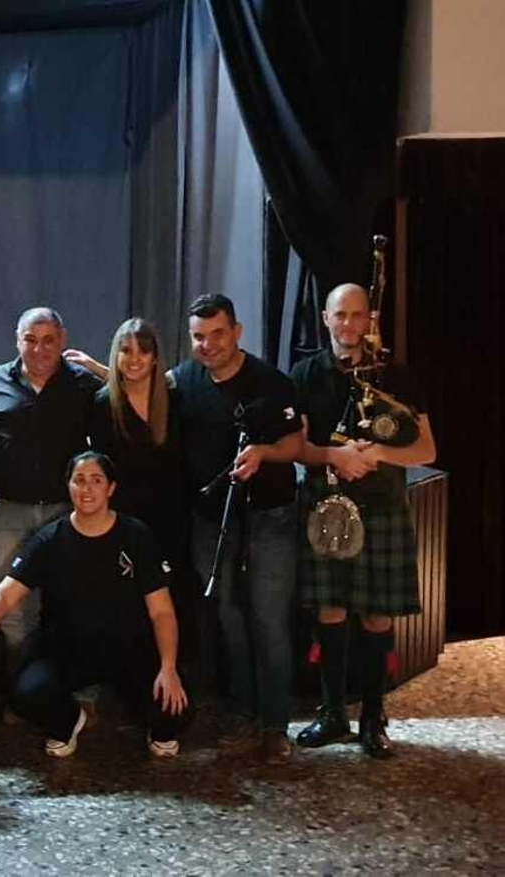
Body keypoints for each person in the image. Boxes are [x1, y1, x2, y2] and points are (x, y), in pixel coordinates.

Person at [0, 452, 188, 759]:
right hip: (66, 648)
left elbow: (161, 610)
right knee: (27, 694)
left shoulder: (136, 535)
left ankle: (155, 726)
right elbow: (6, 594)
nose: (87, 489)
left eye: (96, 480)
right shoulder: (49, 539)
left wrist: (168, 667)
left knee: (175, 710)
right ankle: (70, 721)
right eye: (79, 480)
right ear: (69, 487)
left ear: (111, 488)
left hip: (127, 647)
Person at [290, 283, 436, 758]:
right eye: (340, 315)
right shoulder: (306, 372)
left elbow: (426, 450)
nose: (348, 324)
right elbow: (298, 448)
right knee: (329, 610)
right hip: (325, 504)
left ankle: (374, 717)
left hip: (382, 507)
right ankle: (334, 714)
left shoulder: (395, 374)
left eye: (357, 315)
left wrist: (373, 453)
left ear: (369, 319)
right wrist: (334, 455)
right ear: (327, 320)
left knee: (376, 616)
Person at [172, 293, 303, 763]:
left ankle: (275, 725)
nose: (208, 345)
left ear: (237, 332)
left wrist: (264, 454)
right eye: (199, 337)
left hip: (271, 515)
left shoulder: (272, 382)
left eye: (217, 334)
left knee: (268, 619)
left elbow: (295, 443)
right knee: (227, 616)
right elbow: (139, 392)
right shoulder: (185, 380)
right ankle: (244, 715)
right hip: (211, 519)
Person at [0, 307, 103, 709]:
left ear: (62, 341)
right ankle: (25, 694)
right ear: (17, 340)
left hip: (66, 514)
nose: (39, 348)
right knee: (14, 609)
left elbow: (133, 389)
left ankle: (73, 691)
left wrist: (99, 368)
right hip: (10, 511)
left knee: (72, 602)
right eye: (30, 339)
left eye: (48, 340)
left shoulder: (83, 385)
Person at [81, 319, 196, 676]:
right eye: (126, 350)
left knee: (173, 596)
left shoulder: (174, 396)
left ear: (155, 356)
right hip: (127, 522)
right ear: (115, 355)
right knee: (130, 602)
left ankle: (176, 672)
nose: (134, 359)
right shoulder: (103, 404)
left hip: (174, 519)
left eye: (143, 351)